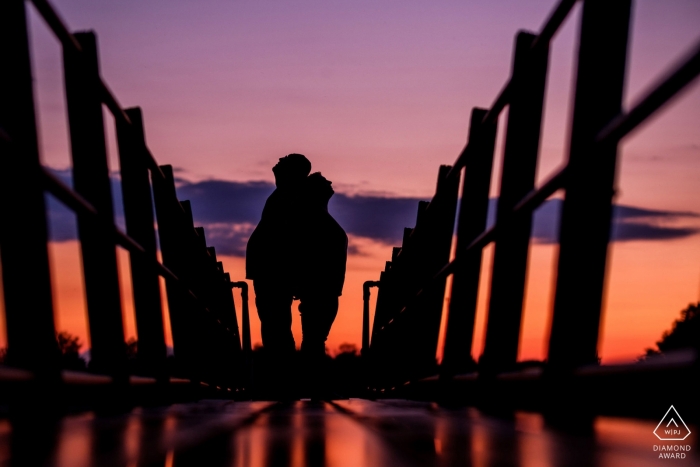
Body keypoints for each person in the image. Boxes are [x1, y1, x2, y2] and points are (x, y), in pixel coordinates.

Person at [246, 153, 311, 392]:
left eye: (281, 163)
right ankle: (282, 382)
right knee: (275, 326)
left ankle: (283, 384)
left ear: (291, 172)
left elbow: (293, 240)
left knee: (277, 327)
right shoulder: (285, 195)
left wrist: (295, 277)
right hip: (269, 272)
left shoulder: (291, 197)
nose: (274, 165)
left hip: (274, 273)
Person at [295, 172, 348, 398]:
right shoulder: (312, 218)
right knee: (314, 338)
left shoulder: (318, 216)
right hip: (318, 288)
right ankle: (315, 387)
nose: (330, 182)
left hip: (327, 288)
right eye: (324, 181)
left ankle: (315, 385)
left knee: (315, 338)